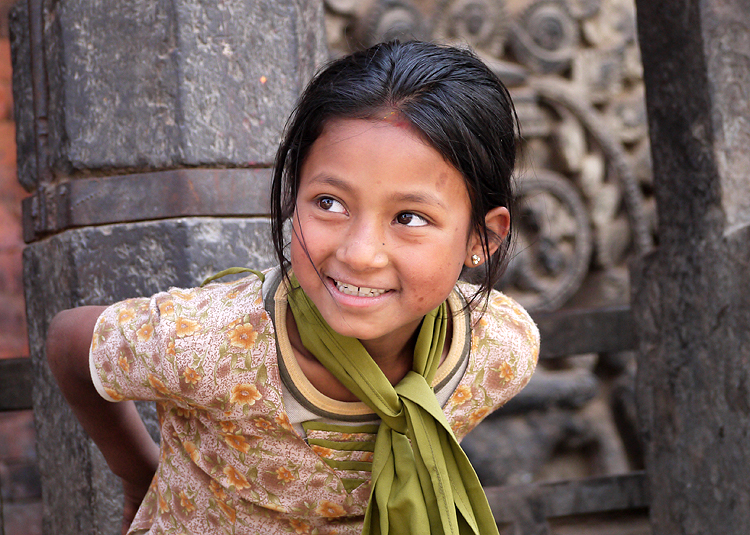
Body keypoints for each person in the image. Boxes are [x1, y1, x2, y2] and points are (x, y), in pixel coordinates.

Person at [46, 40, 540, 535]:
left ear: (482, 239)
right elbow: (70, 341)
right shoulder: (209, 344)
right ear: (292, 196)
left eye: (409, 217)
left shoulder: (498, 351)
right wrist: (137, 474)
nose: (359, 253)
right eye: (329, 202)